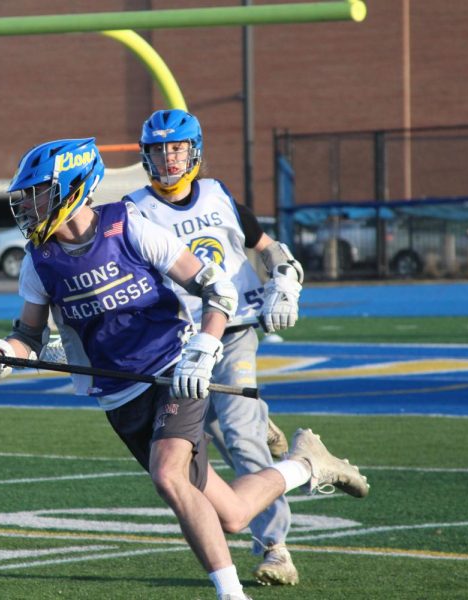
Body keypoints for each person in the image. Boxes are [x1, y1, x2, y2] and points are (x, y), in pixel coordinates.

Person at [0, 137, 368, 600]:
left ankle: (232, 596)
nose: (28, 206)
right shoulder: (38, 261)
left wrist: (205, 348)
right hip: (119, 394)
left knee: (168, 475)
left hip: (175, 369)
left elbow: (218, 291)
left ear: (72, 187)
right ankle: (307, 464)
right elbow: (28, 338)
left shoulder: (129, 225)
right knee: (231, 514)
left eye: (38, 193)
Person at [125, 108, 306, 586]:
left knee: (242, 440)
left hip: (233, 331)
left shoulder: (218, 194)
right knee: (203, 444)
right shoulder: (134, 210)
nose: (168, 158)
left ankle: (275, 547)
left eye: (177, 147)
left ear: (195, 150)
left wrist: (284, 281)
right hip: (177, 345)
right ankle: (257, 421)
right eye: (159, 149)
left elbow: (268, 246)